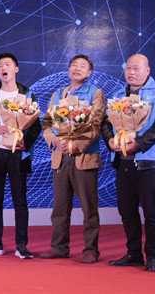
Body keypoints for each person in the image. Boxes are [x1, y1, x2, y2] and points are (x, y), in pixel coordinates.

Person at [101, 53, 155, 273]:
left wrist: (140, 143)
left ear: (147, 70)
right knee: (126, 210)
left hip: (149, 162)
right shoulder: (118, 94)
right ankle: (133, 254)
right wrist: (110, 141)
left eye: (136, 68)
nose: (131, 73)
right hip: (123, 161)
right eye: (128, 69)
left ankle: (152, 255)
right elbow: (105, 123)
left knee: (151, 211)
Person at [38, 55, 105, 264]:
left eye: (82, 66)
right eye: (74, 65)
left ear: (89, 72)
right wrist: (54, 140)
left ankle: (91, 249)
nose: (77, 68)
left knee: (88, 207)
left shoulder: (95, 93)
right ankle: (59, 247)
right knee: (60, 207)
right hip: (60, 157)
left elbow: (96, 125)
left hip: (83, 157)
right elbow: (46, 123)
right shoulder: (58, 94)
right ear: (68, 70)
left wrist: (78, 144)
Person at [0, 52, 41, 259]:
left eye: (8, 64)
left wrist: (25, 144)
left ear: (16, 69)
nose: (4, 68)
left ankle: (22, 245)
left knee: (20, 202)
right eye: (0, 65)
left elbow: (36, 126)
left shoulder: (27, 94)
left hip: (18, 155)